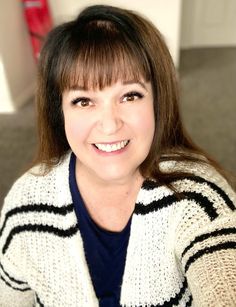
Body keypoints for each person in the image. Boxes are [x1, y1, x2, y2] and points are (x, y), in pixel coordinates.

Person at [0, 4, 235, 307]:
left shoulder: (200, 198)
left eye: (130, 95)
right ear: (60, 113)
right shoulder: (25, 206)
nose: (109, 124)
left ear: (158, 101)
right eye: (83, 101)